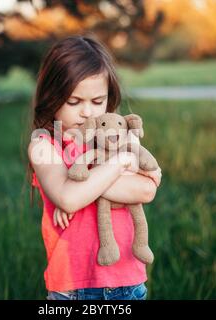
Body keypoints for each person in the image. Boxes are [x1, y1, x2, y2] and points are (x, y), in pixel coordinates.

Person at [27, 35, 162, 300]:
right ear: (51, 96)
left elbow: (145, 191)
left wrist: (85, 187)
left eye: (98, 101)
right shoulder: (45, 145)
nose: (87, 113)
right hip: (74, 288)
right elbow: (68, 198)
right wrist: (121, 164)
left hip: (129, 281)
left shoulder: (115, 138)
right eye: (74, 102)